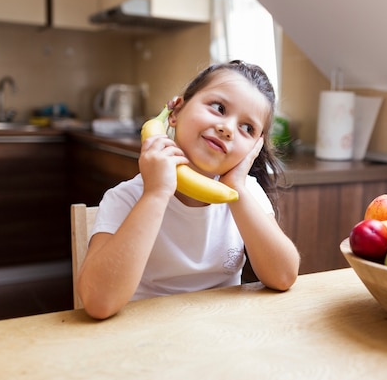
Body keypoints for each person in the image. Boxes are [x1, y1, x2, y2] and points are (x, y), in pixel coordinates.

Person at [77, 60, 300, 319]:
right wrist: (156, 194)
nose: (227, 128)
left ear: (255, 148)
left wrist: (237, 188)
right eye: (219, 108)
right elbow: (98, 302)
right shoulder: (127, 197)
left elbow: (283, 276)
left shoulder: (245, 192)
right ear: (176, 111)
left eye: (247, 128)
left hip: (219, 335)